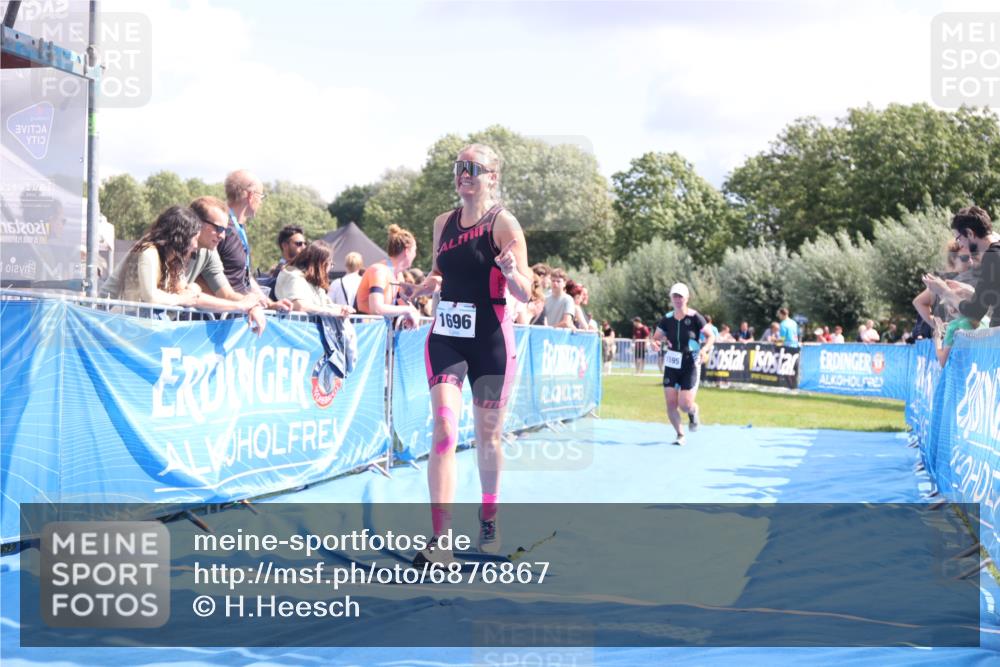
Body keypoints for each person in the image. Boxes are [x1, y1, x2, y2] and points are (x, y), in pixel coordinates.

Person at [409, 143, 532, 566]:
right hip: (447, 336)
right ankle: (440, 541)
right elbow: (443, 271)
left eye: (472, 168)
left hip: (491, 341)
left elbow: (526, 291)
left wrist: (513, 273)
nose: (463, 173)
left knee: (487, 438)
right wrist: (429, 282)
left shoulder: (503, 224)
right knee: (443, 430)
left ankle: (489, 513)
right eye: (459, 167)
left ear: (492, 177)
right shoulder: (442, 223)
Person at [217, 169, 290, 312]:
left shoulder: (238, 227)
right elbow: (207, 275)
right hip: (217, 320)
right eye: (261, 197)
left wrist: (269, 303)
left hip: (236, 315)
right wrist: (245, 303)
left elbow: (245, 275)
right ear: (251, 196)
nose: (261, 203)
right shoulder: (221, 227)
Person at [651, 283, 715, 446]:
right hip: (672, 363)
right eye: (675, 296)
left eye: (681, 296)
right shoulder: (667, 319)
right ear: (671, 298)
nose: (678, 299)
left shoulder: (695, 317)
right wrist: (654, 344)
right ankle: (680, 434)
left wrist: (704, 350)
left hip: (690, 363)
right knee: (671, 403)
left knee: (684, 405)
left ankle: (693, 411)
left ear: (687, 298)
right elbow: (656, 338)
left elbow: (711, 336)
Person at [107, 206, 203, 307]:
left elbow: (184, 289)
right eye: (195, 239)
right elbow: (150, 296)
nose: (196, 246)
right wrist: (181, 299)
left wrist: (193, 289)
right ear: (182, 236)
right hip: (134, 319)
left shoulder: (172, 260)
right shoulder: (149, 253)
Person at [928, 206, 1000, 324]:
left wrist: (945, 292)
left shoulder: (992, 257)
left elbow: (975, 311)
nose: (960, 245)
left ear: (970, 233)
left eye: (959, 239)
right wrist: (968, 292)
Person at [354, 225, 421, 328]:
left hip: (378, 333)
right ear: (407, 251)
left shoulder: (398, 276)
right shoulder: (379, 270)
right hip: (364, 334)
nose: (415, 255)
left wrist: (413, 313)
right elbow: (376, 309)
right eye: (415, 250)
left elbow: (403, 303)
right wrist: (408, 311)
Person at [273, 241, 354, 317]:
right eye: (331, 264)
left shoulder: (312, 282)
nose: (330, 269)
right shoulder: (294, 276)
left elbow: (325, 305)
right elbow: (300, 306)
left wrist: (342, 308)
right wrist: (334, 312)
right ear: (322, 264)